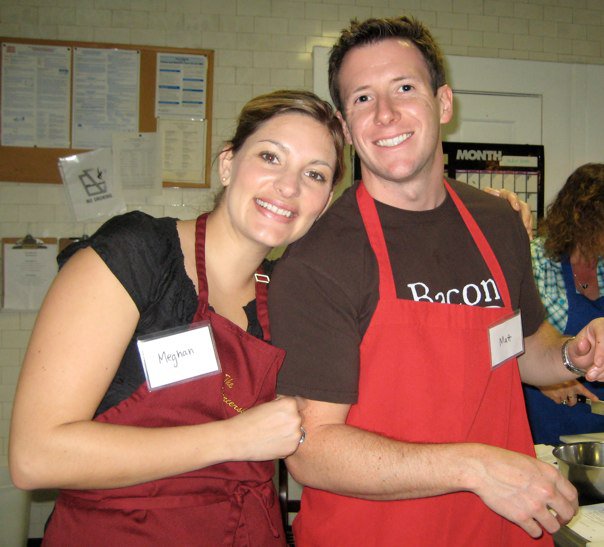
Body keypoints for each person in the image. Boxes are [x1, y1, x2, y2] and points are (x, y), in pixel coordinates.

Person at [268, 16, 604, 547]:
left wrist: (573, 354)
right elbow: (311, 450)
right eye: (362, 98)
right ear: (346, 126)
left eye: (404, 88)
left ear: (443, 103)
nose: (385, 113)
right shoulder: (319, 257)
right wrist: (474, 467)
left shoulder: (498, 223)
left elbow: (520, 348)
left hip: (503, 531)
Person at [8, 90, 346, 546]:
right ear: (227, 164)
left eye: (314, 174)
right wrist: (233, 439)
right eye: (270, 157)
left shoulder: (289, 296)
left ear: (324, 203)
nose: (289, 186)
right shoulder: (138, 255)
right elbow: (35, 457)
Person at [524, 163, 604, 445]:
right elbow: (511, 341)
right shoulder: (535, 260)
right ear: (580, 215)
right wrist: (543, 380)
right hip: (548, 422)